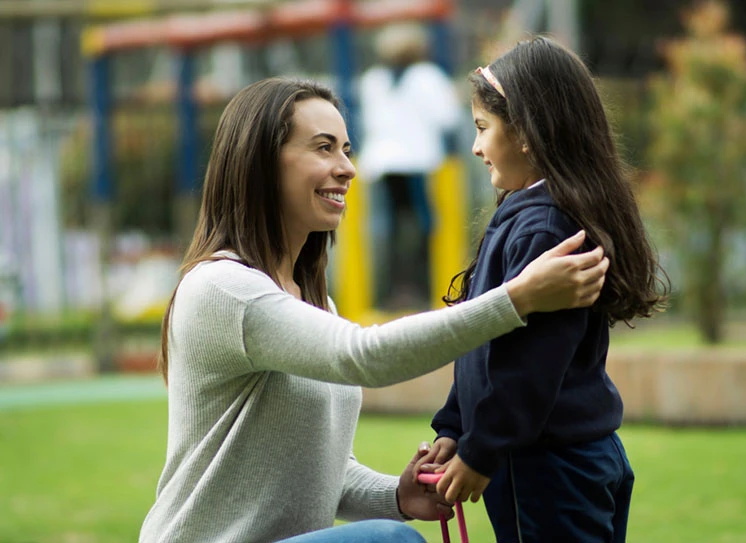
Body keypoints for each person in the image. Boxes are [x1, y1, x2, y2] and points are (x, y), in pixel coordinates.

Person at [138, 76, 610, 543]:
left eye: (346, 149)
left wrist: (400, 497)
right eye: (324, 148)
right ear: (261, 165)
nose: (347, 168)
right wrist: (518, 298)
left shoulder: (313, 302)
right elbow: (363, 354)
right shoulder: (223, 289)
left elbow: (322, 471)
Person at [415, 36, 668, 542]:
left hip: (545, 467)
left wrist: (480, 449)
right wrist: (453, 428)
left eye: (483, 129)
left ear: (527, 133)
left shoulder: (545, 229)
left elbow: (531, 363)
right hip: (566, 458)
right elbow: (485, 345)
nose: (476, 147)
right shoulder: (529, 213)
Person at [357, 22, 460, 309]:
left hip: (380, 164)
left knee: (387, 230)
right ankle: (425, 289)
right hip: (420, 162)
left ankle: (392, 292)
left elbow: (369, 122)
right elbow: (447, 119)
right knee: (426, 226)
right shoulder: (429, 77)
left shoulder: (373, 79)